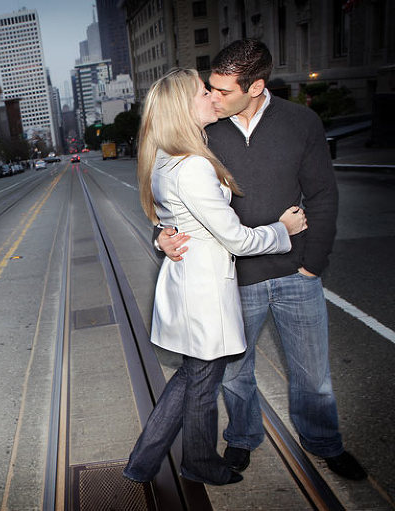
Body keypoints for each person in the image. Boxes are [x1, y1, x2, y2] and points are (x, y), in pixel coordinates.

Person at [157, 39, 367, 481]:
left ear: (255, 87)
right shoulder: (204, 130)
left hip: (296, 273)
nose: (212, 98)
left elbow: (323, 195)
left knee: (313, 376)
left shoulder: (300, 122)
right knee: (235, 375)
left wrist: (314, 262)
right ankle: (242, 439)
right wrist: (161, 235)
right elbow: (168, 195)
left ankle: (324, 443)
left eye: (222, 91)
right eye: (208, 89)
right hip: (234, 277)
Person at [122, 68, 307, 486]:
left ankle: (142, 465)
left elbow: (177, 219)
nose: (211, 95)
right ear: (183, 107)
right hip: (203, 289)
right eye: (203, 91)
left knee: (193, 377)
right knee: (202, 384)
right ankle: (198, 463)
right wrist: (284, 231)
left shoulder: (173, 158)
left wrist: (161, 236)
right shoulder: (190, 166)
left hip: (190, 282)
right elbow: (237, 239)